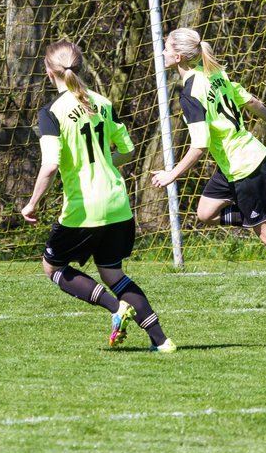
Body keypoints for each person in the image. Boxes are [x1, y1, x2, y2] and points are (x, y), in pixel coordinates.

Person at [20, 41, 175, 353]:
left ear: (50, 74)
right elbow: (128, 150)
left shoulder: (51, 113)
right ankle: (162, 341)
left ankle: (116, 308)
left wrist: (32, 203)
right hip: (118, 204)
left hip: (84, 208)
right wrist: (106, 162)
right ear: (82, 68)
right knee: (112, 272)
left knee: (53, 268)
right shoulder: (102, 102)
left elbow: (50, 165)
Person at [149, 28, 266, 309]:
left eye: (166, 48)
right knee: (205, 213)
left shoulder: (191, 92)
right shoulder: (214, 75)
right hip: (233, 163)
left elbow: (200, 145)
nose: (163, 52)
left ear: (178, 56)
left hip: (244, 167)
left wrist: (172, 175)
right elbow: (250, 101)